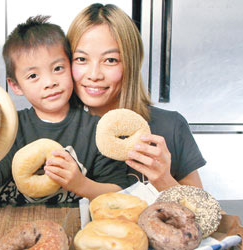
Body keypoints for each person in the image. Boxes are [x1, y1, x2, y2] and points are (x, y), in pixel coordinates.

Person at [0, 15, 131, 206]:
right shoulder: (10, 127)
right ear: (16, 86)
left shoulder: (97, 130)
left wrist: (80, 184)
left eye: (58, 68)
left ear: (71, 66)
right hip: (9, 227)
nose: (49, 82)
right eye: (33, 76)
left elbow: (118, 191)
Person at [67, 3, 206, 191]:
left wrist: (163, 179)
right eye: (81, 59)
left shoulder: (170, 127)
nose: (94, 74)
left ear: (131, 64)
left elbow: (203, 216)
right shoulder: (59, 130)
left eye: (110, 60)